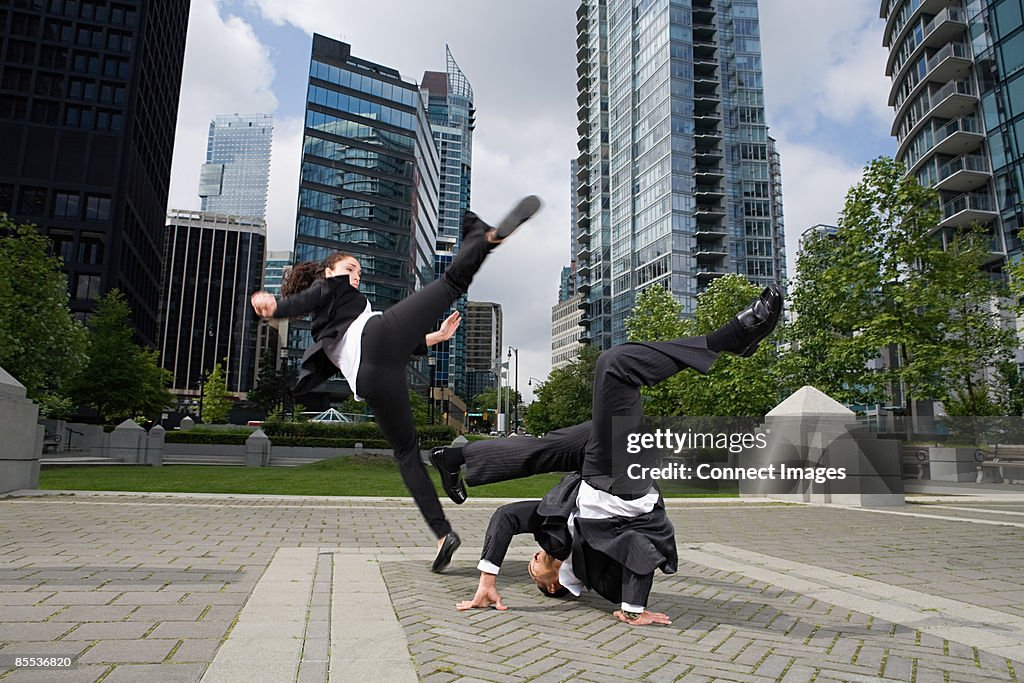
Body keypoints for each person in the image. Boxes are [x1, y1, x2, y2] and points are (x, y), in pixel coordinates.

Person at [431, 285, 782, 624]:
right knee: (615, 364)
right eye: (533, 571)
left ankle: (454, 459)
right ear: (552, 585)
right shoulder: (597, 576)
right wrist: (633, 609)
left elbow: (505, 517)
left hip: (592, 465)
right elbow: (639, 553)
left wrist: (487, 580)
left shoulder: (549, 533)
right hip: (619, 480)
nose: (531, 562)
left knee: (546, 446)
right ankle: (730, 337)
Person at [251, 197, 542, 573]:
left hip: (375, 377)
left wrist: (435, 337)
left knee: (407, 453)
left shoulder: (334, 318)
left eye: (357, 270)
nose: (355, 274)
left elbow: (396, 343)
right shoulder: (331, 288)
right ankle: (483, 237)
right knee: (452, 281)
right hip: (379, 341)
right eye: (348, 268)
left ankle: (442, 535)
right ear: (329, 272)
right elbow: (310, 297)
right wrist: (275, 306)